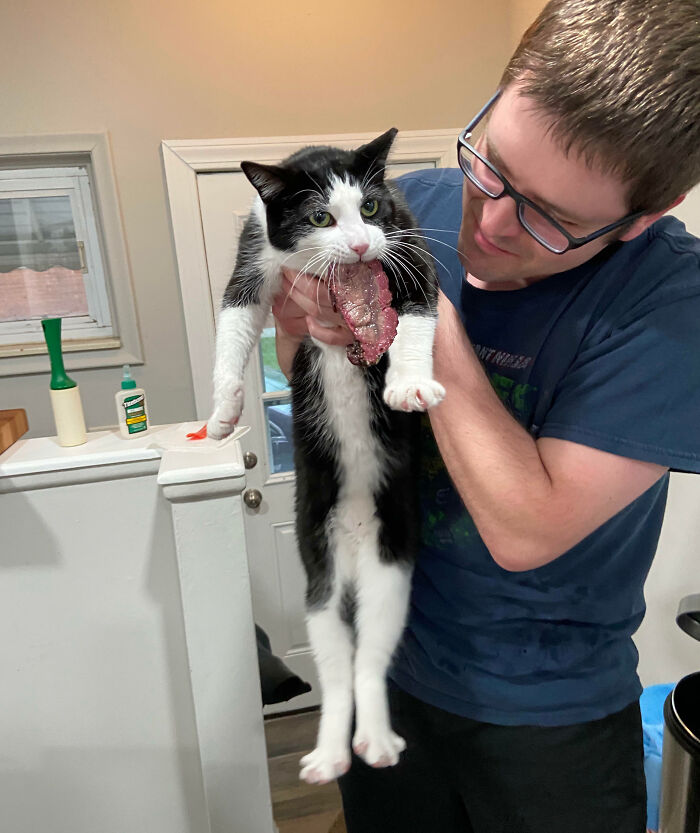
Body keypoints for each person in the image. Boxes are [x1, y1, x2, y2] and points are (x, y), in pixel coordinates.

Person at [273, 0, 700, 830]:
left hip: (546, 715)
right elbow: (310, 358)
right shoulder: (416, 201)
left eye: (554, 218)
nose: (491, 223)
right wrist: (304, 320)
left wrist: (427, 323)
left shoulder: (673, 304)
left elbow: (526, 529)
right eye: (490, 164)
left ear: (644, 216)